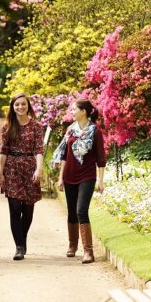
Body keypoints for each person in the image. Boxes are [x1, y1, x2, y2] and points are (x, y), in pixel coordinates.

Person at [52, 99, 105, 264]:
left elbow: (101, 159)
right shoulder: (70, 130)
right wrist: (61, 177)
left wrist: (100, 181)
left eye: (74, 109)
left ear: (83, 111)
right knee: (72, 212)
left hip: (87, 176)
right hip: (69, 176)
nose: (72, 111)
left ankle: (88, 251)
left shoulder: (95, 131)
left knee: (81, 210)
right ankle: (72, 245)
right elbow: (64, 156)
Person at [0, 93, 44, 261]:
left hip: (29, 168)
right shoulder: (7, 127)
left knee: (28, 210)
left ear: (28, 106)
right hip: (12, 169)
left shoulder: (36, 127)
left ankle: (22, 239)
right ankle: (19, 247)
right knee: (15, 209)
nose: (20, 107)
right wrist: (0, 172)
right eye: (17, 105)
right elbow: (3, 151)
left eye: (23, 104)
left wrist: (39, 169)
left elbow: (39, 150)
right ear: (12, 107)